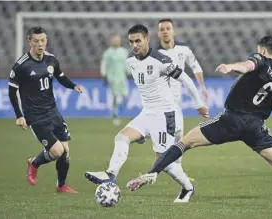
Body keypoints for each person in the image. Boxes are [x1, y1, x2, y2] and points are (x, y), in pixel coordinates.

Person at [126, 35, 272, 208]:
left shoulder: (260, 58)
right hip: (256, 127)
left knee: (184, 143)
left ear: (262, 49)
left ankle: (153, 172)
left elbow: (249, 65)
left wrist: (232, 66)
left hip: (231, 119)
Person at [84, 24, 209, 203]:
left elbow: (186, 79)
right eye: (131, 42)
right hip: (146, 113)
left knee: (163, 163)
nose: (134, 45)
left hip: (164, 116)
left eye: (138, 41)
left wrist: (198, 103)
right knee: (121, 137)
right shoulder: (130, 60)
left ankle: (188, 187)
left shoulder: (161, 60)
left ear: (147, 40)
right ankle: (110, 175)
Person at [8, 27, 84, 193]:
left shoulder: (51, 59)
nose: (40, 44)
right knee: (57, 151)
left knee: (66, 151)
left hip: (53, 111)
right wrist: (19, 115)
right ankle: (34, 163)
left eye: (43, 40)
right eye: (36, 41)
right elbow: (12, 90)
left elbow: (60, 77)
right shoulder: (21, 66)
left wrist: (73, 86)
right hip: (35, 116)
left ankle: (61, 185)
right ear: (30, 42)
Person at [154, 18, 208, 181]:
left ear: (173, 31)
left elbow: (195, 66)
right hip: (161, 100)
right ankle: (160, 168)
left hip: (176, 101)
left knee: (178, 136)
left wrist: (202, 87)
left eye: (168, 28)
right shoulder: (155, 54)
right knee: (171, 136)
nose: (165, 31)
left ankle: (174, 170)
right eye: (162, 29)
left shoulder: (183, 50)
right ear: (158, 33)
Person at [100, 34, 129, 125]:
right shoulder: (108, 52)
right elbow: (104, 64)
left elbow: (127, 63)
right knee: (116, 96)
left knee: (125, 95)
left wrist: (130, 73)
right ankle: (115, 115)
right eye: (114, 40)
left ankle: (114, 111)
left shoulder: (124, 51)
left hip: (122, 77)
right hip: (112, 77)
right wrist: (104, 75)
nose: (116, 41)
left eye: (118, 40)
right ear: (111, 41)